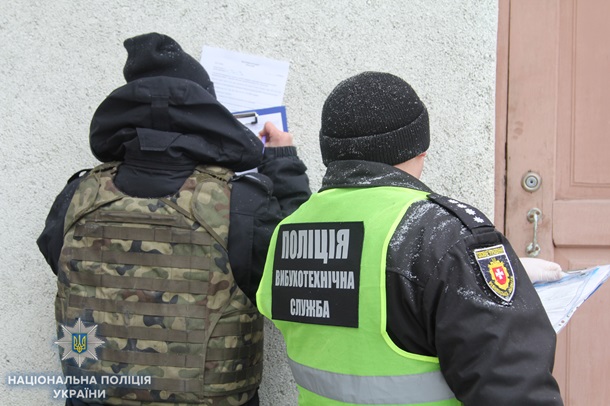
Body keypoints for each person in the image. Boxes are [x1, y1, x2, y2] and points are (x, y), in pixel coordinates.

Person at [256, 71, 563, 405]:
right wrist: (474, 276)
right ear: (419, 149)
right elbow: (515, 391)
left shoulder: (289, 233)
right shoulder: (441, 234)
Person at [37, 32, 310, 406]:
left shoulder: (78, 196)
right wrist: (282, 163)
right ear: (207, 113)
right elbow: (297, 266)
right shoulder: (240, 203)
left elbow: (61, 263)